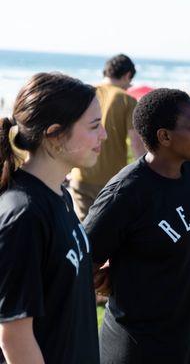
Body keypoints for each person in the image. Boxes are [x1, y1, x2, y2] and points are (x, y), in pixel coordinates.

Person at [85, 89, 190, 363]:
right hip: (140, 348)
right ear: (164, 136)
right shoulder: (126, 193)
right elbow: (78, 266)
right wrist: (105, 277)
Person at [0, 73, 106, 363]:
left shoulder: (61, 195)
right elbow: (14, 336)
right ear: (55, 134)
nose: (104, 135)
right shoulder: (23, 214)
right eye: (95, 126)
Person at [69, 53, 145, 222]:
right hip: (111, 181)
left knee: (84, 230)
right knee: (110, 234)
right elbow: (136, 144)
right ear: (127, 76)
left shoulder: (83, 92)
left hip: (79, 175)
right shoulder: (126, 99)